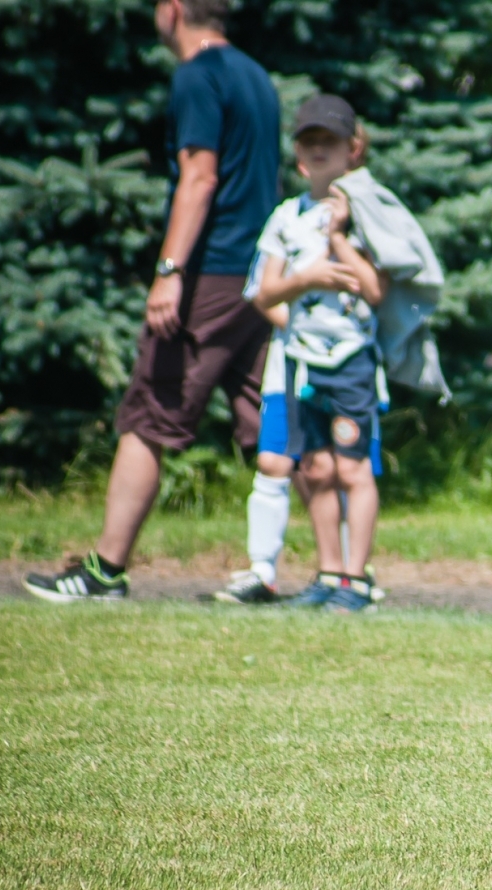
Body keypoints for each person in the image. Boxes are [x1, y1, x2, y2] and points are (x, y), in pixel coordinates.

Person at [24, 0, 279, 603]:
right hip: (260, 273)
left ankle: (105, 570)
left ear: (174, 11)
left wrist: (169, 270)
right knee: (268, 424)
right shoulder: (256, 76)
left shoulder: (198, 74)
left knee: (149, 414)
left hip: (210, 274)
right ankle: (335, 573)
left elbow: (200, 177)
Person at [217, 120, 381, 606]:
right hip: (299, 363)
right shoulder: (286, 217)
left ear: (352, 150)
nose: (317, 150)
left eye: (328, 141)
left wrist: (340, 238)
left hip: (351, 360)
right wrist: (305, 280)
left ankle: (357, 580)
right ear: (297, 155)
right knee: (313, 468)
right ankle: (329, 576)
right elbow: (262, 292)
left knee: (353, 468)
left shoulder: (369, 211)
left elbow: (377, 289)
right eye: (308, 142)